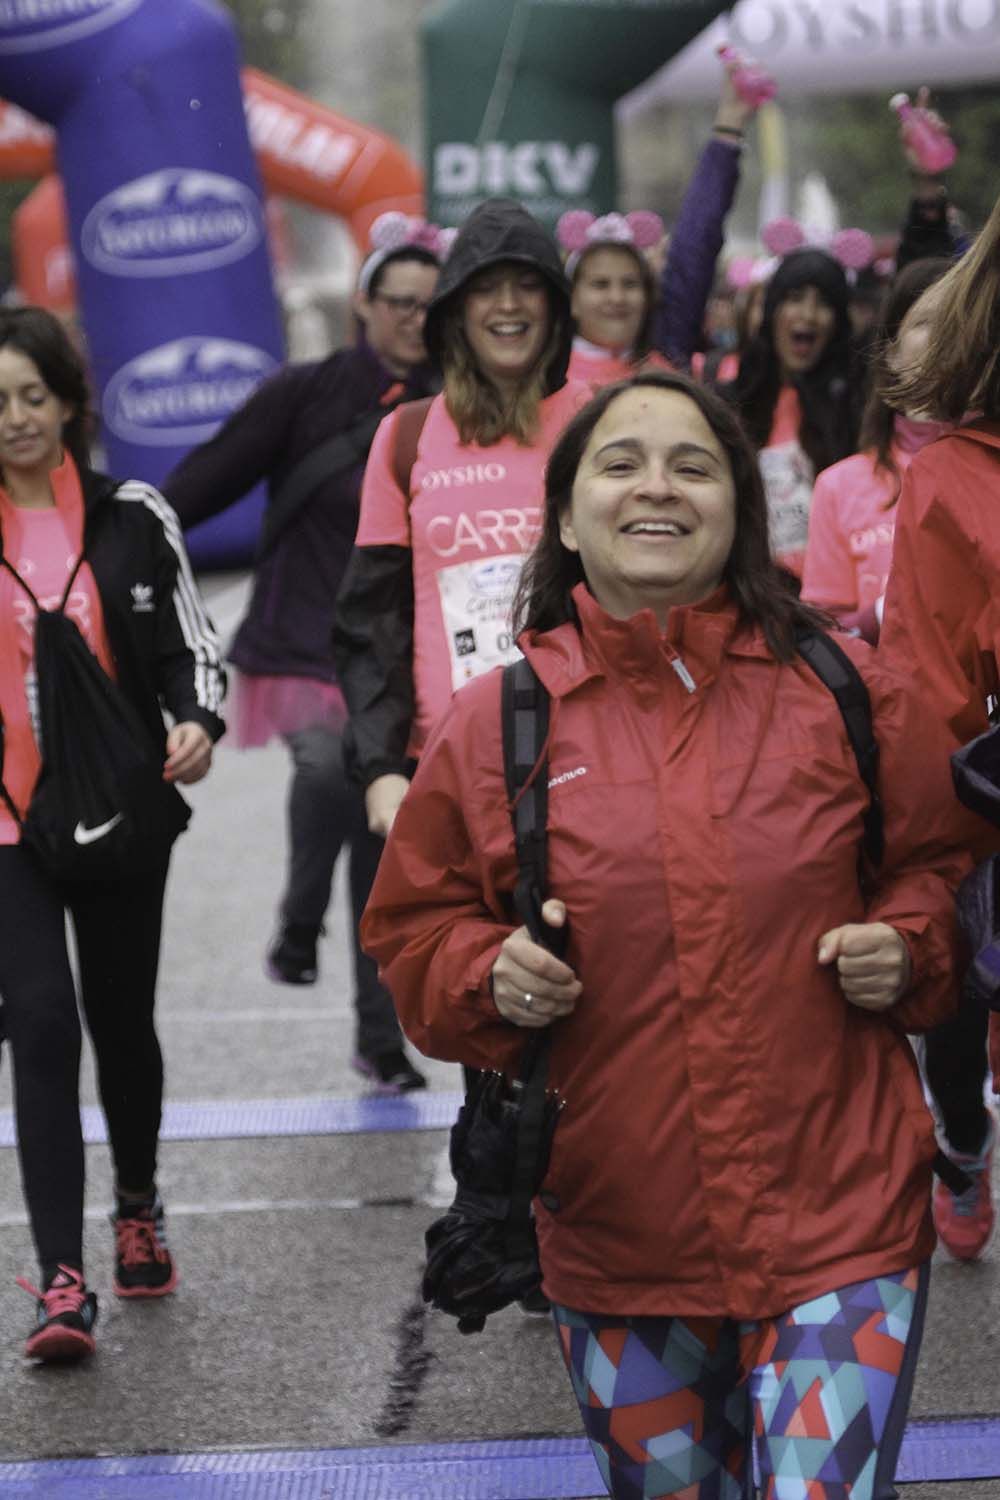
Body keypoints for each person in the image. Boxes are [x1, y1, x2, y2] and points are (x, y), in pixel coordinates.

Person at [363, 370, 967, 1500]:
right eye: (620, 462)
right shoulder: (497, 725)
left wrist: (909, 942)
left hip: (840, 1224)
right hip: (615, 1246)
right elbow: (413, 932)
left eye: (694, 465)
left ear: (738, 507)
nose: (657, 487)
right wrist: (483, 972)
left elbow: (935, 868)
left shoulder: (845, 689)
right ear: (563, 513)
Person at [165, 224, 441, 1094]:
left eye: (433, 306)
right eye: (399, 301)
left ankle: (378, 1036)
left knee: (384, 835)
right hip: (303, 638)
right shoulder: (306, 393)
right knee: (328, 763)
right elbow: (205, 479)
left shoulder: (463, 405)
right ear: (364, 304)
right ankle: (298, 914)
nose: (414, 318)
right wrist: (126, 528)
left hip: (409, 655)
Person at [0, 307, 225, 1362]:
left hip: (122, 810)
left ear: (68, 403)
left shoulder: (130, 512)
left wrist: (196, 719)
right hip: (6, 823)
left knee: (120, 1020)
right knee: (41, 1025)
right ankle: (60, 1282)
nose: (14, 420)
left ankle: (136, 1202)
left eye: (31, 397)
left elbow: (187, 642)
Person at [332, 197, 589, 842]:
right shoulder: (405, 437)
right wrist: (382, 766)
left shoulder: (603, 424)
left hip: (587, 754)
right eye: (487, 289)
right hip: (445, 762)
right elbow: (371, 617)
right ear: (455, 312)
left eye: (528, 286)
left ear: (555, 307)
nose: (509, 306)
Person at [880, 193, 1000, 1262]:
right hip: (988, 815)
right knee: (960, 1007)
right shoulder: (948, 481)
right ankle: (962, 1139)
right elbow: (927, 692)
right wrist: (921, 873)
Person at [562, 59, 756, 392]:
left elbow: (696, 242)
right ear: (573, 299)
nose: (617, 297)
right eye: (600, 284)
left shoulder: (667, 352)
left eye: (630, 284)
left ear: (649, 296)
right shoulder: (544, 373)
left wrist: (729, 124)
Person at [802, 256, 952, 642]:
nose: (946, 337)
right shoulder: (839, 486)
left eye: (960, 322)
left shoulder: (990, 472)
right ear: (890, 351)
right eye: (925, 321)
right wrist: (884, 613)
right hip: (882, 696)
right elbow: (826, 637)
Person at [719, 245, 863, 579]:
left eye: (824, 303)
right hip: (746, 592)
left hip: (831, 599)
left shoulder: (857, 406)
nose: (808, 315)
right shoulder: (731, 401)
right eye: (795, 298)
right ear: (772, 310)